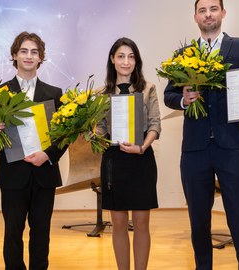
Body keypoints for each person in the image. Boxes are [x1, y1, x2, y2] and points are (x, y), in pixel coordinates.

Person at [163, 0, 239, 269]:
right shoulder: (183, 53)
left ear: (223, 12)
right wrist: (183, 100)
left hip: (232, 147)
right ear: (195, 16)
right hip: (195, 150)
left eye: (213, 9)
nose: (208, 14)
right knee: (198, 221)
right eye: (202, 10)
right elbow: (169, 95)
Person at [0, 31, 66, 270]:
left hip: (44, 174)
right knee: (12, 235)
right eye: (24, 51)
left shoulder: (54, 93)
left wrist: (48, 154)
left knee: (41, 235)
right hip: (13, 174)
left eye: (34, 52)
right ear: (14, 55)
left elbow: (64, 134)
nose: (29, 56)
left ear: (41, 58)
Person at [97, 37, 161, 270]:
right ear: (112, 60)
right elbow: (100, 130)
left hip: (142, 159)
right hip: (114, 161)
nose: (126, 61)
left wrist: (142, 147)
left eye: (131, 56)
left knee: (142, 223)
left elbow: (155, 124)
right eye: (121, 56)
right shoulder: (101, 94)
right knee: (118, 223)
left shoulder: (148, 89)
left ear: (137, 60)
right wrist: (88, 129)